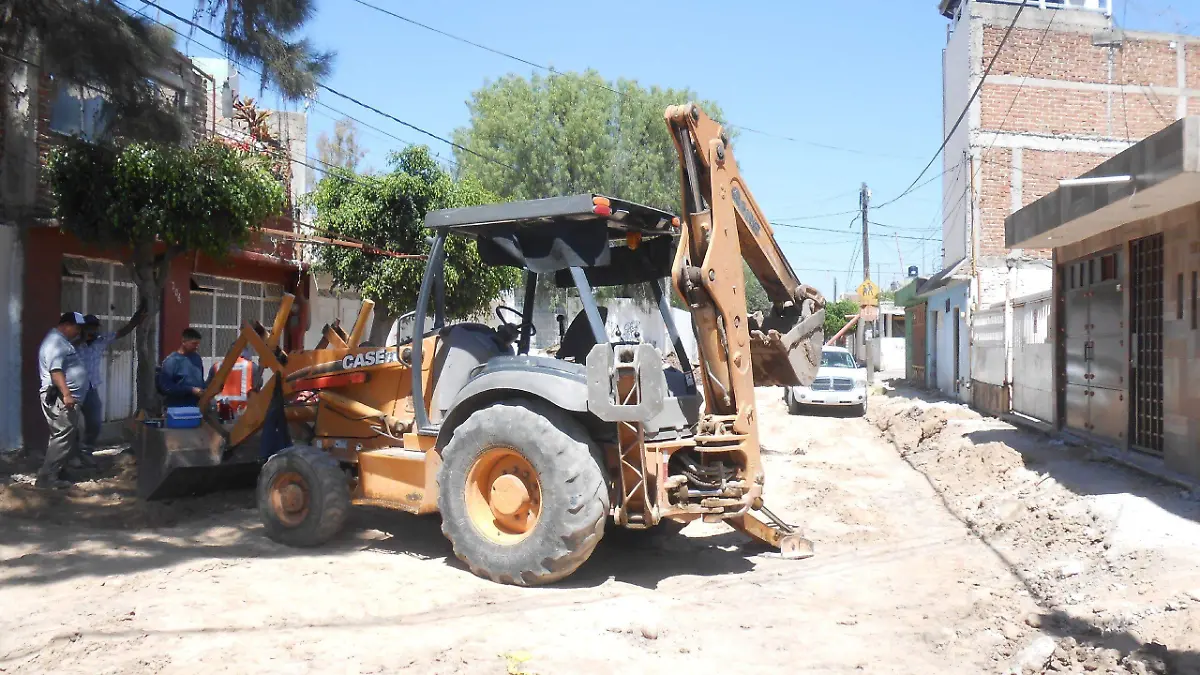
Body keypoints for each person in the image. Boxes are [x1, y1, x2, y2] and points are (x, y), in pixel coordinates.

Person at [76, 303, 146, 453]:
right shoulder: (74, 343)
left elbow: (123, 332)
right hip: (73, 389)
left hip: (91, 388)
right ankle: (72, 454)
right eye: (89, 327)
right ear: (82, 328)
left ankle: (87, 449)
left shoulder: (100, 340)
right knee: (70, 425)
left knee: (94, 422)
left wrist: (137, 319)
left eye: (95, 328)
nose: (92, 331)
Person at [36, 312, 90, 489]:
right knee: (62, 436)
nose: (78, 332)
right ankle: (47, 478)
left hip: (64, 398)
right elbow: (56, 370)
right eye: (77, 328)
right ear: (66, 325)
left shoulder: (62, 342)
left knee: (66, 436)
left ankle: (58, 471)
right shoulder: (55, 343)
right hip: (59, 397)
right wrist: (67, 394)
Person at [157, 328, 207, 408]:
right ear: (184, 342)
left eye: (198, 344)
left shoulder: (197, 358)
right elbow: (166, 387)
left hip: (197, 407)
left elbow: (200, 380)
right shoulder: (171, 361)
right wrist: (191, 390)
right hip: (178, 408)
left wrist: (205, 389)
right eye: (194, 344)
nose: (197, 347)